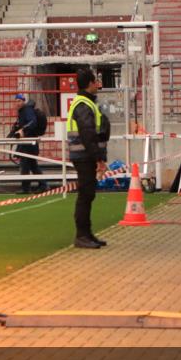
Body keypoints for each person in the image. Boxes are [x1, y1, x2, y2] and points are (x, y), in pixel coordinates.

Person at [66, 68, 111, 249]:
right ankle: (82, 235)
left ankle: (87, 233)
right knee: (85, 195)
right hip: (84, 155)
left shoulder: (85, 103)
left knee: (88, 194)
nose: (98, 85)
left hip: (85, 155)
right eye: (96, 82)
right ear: (90, 83)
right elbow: (88, 134)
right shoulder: (84, 105)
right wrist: (99, 159)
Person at [10, 94, 45, 194]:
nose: (17, 103)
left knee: (25, 165)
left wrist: (23, 130)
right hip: (27, 143)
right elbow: (22, 125)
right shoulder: (22, 112)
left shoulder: (27, 110)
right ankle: (43, 185)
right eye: (16, 101)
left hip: (29, 143)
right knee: (33, 166)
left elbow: (32, 122)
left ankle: (26, 188)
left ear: (23, 101)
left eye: (19, 101)